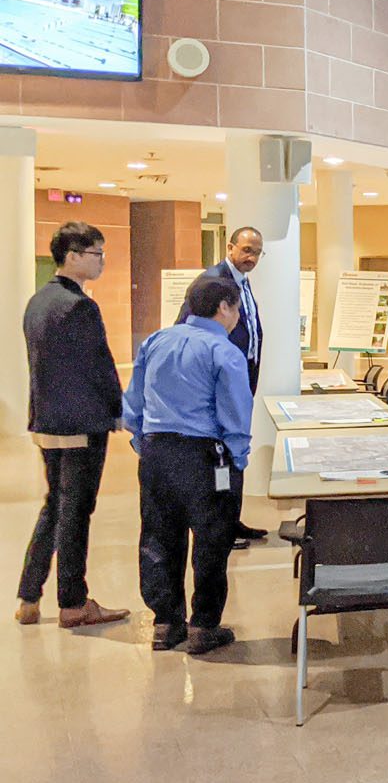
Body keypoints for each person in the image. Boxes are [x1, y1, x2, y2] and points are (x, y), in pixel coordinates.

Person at [123, 278, 253, 655]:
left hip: (156, 453)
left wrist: (144, 445)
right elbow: (235, 415)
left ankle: (165, 623)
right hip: (205, 457)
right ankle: (203, 626)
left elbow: (133, 405)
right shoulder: (223, 352)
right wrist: (237, 461)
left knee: (158, 537)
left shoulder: (155, 341)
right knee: (212, 541)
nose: (238, 317)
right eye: (237, 309)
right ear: (224, 307)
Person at [16, 222, 130, 629]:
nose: (101, 261)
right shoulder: (80, 305)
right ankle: (73, 602)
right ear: (74, 256)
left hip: (47, 419)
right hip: (81, 423)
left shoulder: (38, 301)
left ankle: (29, 596)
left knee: (55, 505)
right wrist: (118, 408)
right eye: (97, 253)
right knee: (76, 511)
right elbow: (99, 364)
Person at [178, 226, 268, 547]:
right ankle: (219, 528)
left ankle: (232, 521)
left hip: (241, 375)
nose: (251, 257)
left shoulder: (242, 282)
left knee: (235, 448)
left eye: (257, 252)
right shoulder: (211, 282)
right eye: (246, 250)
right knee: (222, 452)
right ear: (230, 247)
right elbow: (187, 328)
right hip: (219, 380)